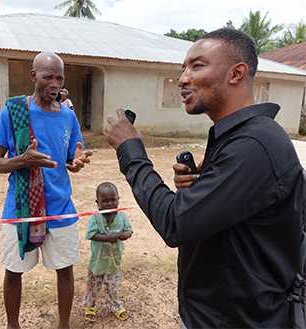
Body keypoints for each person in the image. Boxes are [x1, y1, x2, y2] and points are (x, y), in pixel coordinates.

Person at [106, 28, 304, 328]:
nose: (183, 78)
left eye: (197, 66)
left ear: (236, 73)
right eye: (183, 68)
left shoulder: (253, 146)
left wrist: (131, 151)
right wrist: (205, 186)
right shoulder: (239, 138)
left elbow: (175, 223)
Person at [0, 52, 92, 329]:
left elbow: (73, 155)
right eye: (48, 76)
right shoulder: (13, 111)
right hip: (21, 206)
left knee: (65, 271)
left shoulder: (69, 116)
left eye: (59, 77)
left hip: (60, 207)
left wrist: (77, 161)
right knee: (13, 271)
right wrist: (22, 161)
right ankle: (13, 325)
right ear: (33, 76)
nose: (55, 83)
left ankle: (64, 325)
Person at [84, 182, 132, 322]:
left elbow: (129, 230)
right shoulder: (95, 218)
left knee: (113, 287)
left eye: (113, 200)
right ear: (98, 203)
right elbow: (90, 234)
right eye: (105, 201)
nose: (110, 203)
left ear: (118, 199)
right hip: (97, 263)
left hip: (113, 262)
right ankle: (90, 307)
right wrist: (107, 238)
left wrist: (125, 235)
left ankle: (115, 306)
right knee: (93, 287)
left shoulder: (122, 217)